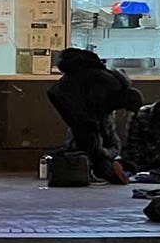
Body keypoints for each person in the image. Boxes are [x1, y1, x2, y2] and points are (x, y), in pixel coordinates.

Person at [47, 48, 143, 184]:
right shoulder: (111, 88)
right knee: (88, 137)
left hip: (66, 96)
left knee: (87, 136)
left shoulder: (114, 86)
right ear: (127, 102)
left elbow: (102, 119)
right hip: (66, 97)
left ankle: (86, 165)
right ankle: (93, 169)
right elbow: (95, 116)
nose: (124, 112)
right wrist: (100, 147)